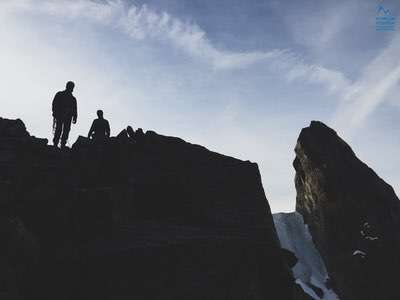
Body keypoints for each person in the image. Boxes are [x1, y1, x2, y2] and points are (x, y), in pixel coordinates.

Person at [52, 81, 77, 148]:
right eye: (71, 87)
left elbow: (75, 108)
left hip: (68, 116)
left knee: (66, 130)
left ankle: (62, 144)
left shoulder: (73, 99)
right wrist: (54, 112)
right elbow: (54, 103)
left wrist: (75, 116)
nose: (72, 88)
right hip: (60, 115)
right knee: (59, 129)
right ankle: (56, 143)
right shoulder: (60, 94)